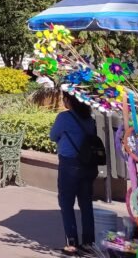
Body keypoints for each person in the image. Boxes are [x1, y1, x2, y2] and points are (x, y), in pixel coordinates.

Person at [50, 92, 98, 254]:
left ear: (68, 100)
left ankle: (71, 242)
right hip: (88, 167)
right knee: (86, 204)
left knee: (66, 203)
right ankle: (89, 242)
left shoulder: (64, 118)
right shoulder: (90, 120)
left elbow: (53, 136)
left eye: (64, 98)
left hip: (69, 165)